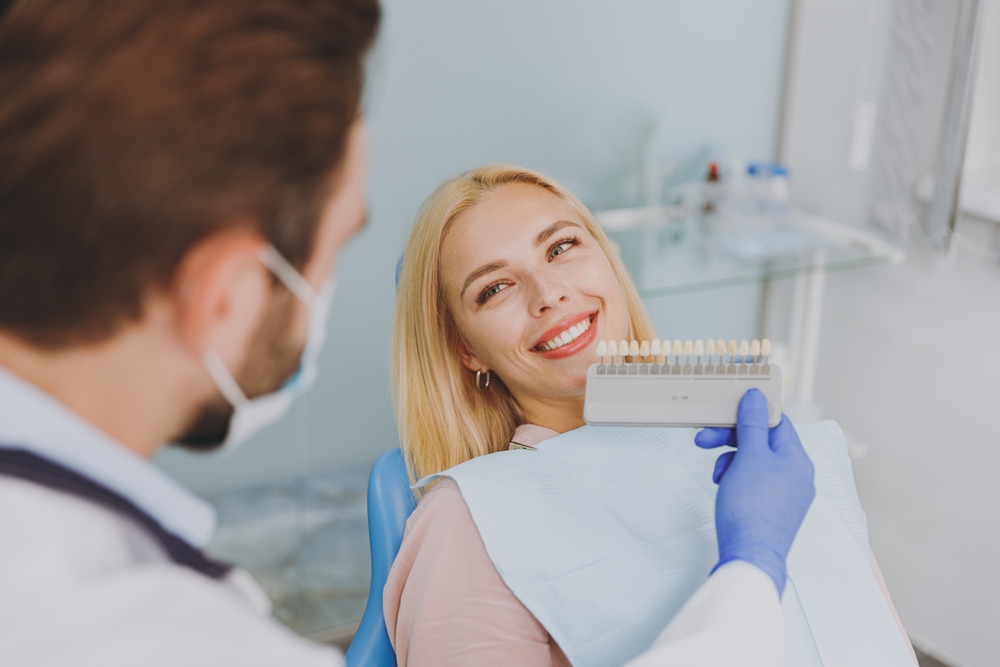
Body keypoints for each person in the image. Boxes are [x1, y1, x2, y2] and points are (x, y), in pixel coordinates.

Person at [0, 3, 826, 667]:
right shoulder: (144, 631)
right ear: (226, 294)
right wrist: (752, 566)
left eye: (564, 246)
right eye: (336, 249)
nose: (550, 294)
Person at [386, 165, 917, 666]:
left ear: (610, 261)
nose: (549, 294)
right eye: (494, 288)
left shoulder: (773, 460)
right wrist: (755, 555)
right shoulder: (471, 522)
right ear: (466, 350)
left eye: (562, 247)